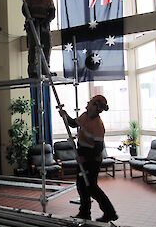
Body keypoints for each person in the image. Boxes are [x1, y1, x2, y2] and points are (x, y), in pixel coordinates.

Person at [60, 95, 118, 223]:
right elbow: (73, 123)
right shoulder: (85, 116)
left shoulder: (98, 125)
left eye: (90, 103)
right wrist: (65, 115)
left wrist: (85, 159)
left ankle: (110, 213)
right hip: (83, 155)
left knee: (91, 187)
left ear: (96, 107)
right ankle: (84, 213)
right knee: (81, 185)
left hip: (92, 159)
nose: (87, 104)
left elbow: (98, 148)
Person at [22, 0, 56, 78]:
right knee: (33, 47)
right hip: (33, 24)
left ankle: (45, 69)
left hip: (44, 25)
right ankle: (32, 70)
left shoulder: (48, 0)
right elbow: (24, 10)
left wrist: (46, 20)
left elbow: (52, 13)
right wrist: (31, 19)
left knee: (47, 45)